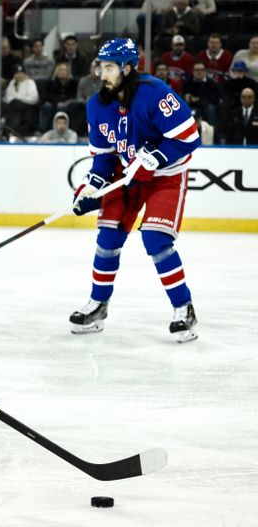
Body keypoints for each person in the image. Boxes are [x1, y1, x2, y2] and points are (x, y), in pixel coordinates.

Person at [70, 38, 201, 343]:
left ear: (128, 68)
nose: (102, 74)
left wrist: (156, 156)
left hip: (166, 175)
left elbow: (189, 137)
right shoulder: (96, 106)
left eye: (110, 67)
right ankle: (98, 305)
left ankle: (184, 308)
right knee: (108, 239)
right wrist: (92, 187)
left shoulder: (154, 93)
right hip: (127, 175)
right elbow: (103, 158)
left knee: (156, 240)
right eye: (100, 66)